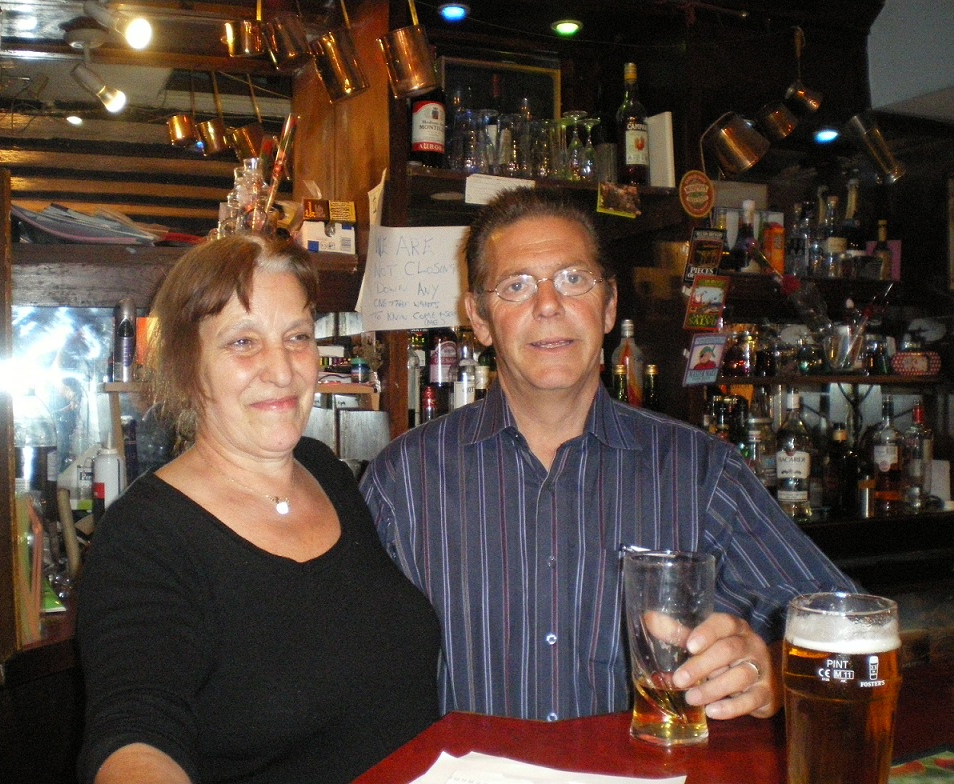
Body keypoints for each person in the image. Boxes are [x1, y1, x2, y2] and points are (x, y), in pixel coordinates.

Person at [361, 188, 856, 724]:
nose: (549, 305)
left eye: (573, 279)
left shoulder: (700, 473)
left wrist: (773, 672)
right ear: (478, 319)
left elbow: (848, 634)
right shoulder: (403, 482)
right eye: (516, 285)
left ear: (610, 306)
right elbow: (349, 675)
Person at [76, 235, 441, 784]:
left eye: (297, 337)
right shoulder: (146, 537)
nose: (282, 370)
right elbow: (134, 733)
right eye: (244, 342)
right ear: (186, 364)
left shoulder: (325, 472)